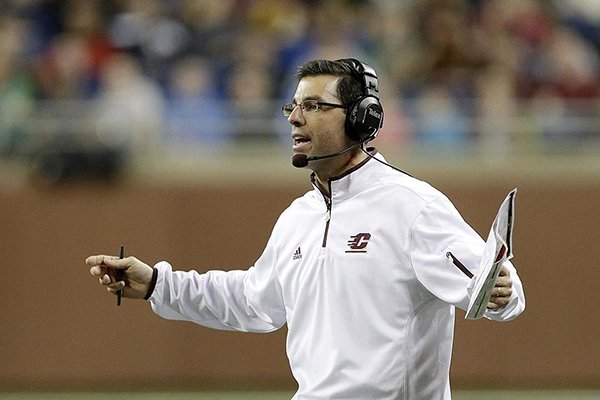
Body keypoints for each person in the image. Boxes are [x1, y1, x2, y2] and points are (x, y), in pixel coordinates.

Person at [87, 58, 525, 399]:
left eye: (314, 106)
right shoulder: (298, 217)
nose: (295, 118)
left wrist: (502, 291)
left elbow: (493, 287)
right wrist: (158, 285)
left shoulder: (413, 207)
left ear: (362, 119)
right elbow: (252, 300)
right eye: (292, 106)